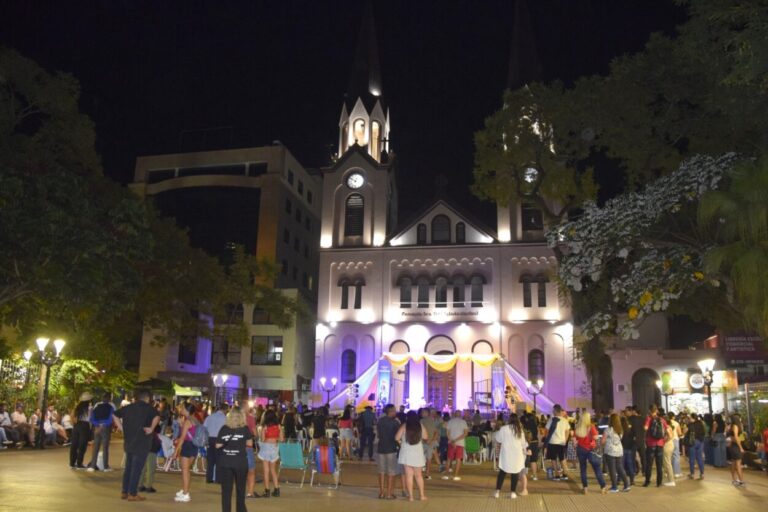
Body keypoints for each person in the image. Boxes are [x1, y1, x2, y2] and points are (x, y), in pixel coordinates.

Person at [114, 389, 160, 502]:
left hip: (129, 442)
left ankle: (124, 492)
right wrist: (151, 428)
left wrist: (121, 428)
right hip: (142, 443)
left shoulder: (128, 407)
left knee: (128, 468)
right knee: (136, 469)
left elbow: (114, 415)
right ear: (147, 398)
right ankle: (133, 494)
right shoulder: (149, 408)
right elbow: (157, 417)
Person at [217, 407, 252, 512]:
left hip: (226, 462)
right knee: (240, 490)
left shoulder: (224, 428)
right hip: (240, 462)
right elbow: (250, 444)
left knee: (226, 492)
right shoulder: (245, 429)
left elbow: (218, 445)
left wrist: (227, 442)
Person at [396, 410, 428, 501]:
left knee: (409, 475)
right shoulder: (420, 426)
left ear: (407, 417)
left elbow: (396, 437)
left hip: (406, 453)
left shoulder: (404, 426)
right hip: (417, 453)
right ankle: (422, 495)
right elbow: (426, 437)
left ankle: (411, 497)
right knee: (419, 475)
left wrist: (401, 443)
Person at [494, 413, 528, 499]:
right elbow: (523, 443)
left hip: (506, 454)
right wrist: (525, 451)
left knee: (502, 472)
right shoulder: (519, 430)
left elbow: (498, 439)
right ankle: (512, 493)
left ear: (509, 419)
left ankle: (497, 492)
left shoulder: (504, 428)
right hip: (517, 454)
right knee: (515, 473)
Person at [574, 411, 606, 494]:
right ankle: (603, 487)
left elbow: (574, 441)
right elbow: (596, 438)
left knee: (583, 469)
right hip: (591, 450)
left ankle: (585, 488)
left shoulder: (578, 427)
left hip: (580, 449)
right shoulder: (591, 427)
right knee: (597, 468)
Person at [174, 402, 200, 503]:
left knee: (185, 471)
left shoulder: (187, 421)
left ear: (187, 410)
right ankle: (185, 490)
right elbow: (191, 433)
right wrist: (181, 424)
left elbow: (182, 438)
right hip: (194, 446)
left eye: (183, 408)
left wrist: (175, 452)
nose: (181, 409)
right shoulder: (195, 419)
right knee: (187, 470)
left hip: (187, 446)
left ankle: (185, 494)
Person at [88, 393, 120, 472]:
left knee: (96, 447)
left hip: (97, 428)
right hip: (106, 428)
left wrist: (97, 425)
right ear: (109, 399)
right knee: (105, 448)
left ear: (102, 398)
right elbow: (111, 418)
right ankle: (106, 467)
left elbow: (92, 417)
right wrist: (103, 425)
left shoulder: (97, 405)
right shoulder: (111, 406)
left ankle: (92, 466)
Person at [376, 404, 400, 499]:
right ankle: (389, 493)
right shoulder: (395, 422)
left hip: (381, 448)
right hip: (391, 449)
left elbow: (378, 435)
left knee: (381, 471)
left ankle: (382, 492)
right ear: (391, 411)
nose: (396, 412)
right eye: (394, 410)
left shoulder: (380, 421)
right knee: (391, 472)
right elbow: (398, 436)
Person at [602, 413, 630, 492]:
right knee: (620, 468)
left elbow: (603, 441)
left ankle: (614, 487)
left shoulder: (608, 430)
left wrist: (603, 444)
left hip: (610, 451)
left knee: (612, 469)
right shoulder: (620, 430)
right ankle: (626, 485)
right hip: (619, 450)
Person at [258, 409, 283, 497]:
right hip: (275, 448)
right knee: (273, 470)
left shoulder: (264, 427)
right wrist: (275, 439)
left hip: (266, 448)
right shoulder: (278, 426)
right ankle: (277, 489)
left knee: (266, 470)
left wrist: (264, 434)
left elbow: (262, 439)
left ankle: (267, 491)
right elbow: (282, 439)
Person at [642, 404, 668, 487]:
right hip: (660, 445)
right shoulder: (662, 420)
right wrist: (664, 441)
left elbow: (645, 428)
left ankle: (647, 481)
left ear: (650, 410)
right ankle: (659, 482)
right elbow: (667, 431)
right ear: (656, 410)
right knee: (659, 465)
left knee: (649, 464)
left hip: (651, 444)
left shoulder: (649, 418)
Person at [204, 403, 229, 484]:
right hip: (219, 440)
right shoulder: (225, 418)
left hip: (210, 439)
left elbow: (204, 428)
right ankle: (218, 479)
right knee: (219, 459)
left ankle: (209, 478)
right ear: (225, 410)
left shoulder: (210, 417)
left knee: (210, 460)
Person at [544, 404, 570, 481]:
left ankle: (557, 475)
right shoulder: (565, 420)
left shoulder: (551, 420)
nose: (552, 411)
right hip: (561, 442)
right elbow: (567, 431)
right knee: (562, 458)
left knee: (553, 459)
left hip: (552, 442)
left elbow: (546, 431)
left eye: (553, 410)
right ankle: (565, 474)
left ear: (555, 411)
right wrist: (565, 440)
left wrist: (546, 440)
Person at [442, 410, 468, 481]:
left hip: (451, 443)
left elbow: (447, 433)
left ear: (454, 414)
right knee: (458, 459)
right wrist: (456, 440)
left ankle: (446, 475)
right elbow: (465, 433)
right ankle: (456, 476)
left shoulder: (450, 422)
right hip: (460, 443)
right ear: (460, 415)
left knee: (449, 459)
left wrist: (452, 441)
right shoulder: (463, 422)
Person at [69, 394, 92, 468]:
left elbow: (71, 417)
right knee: (82, 445)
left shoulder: (77, 408)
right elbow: (90, 419)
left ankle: (72, 463)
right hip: (85, 426)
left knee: (74, 445)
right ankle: (79, 463)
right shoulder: (90, 408)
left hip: (76, 426)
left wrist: (74, 424)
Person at [726, 413, 745, 486]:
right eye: (739, 418)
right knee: (738, 463)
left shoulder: (735, 426)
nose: (740, 419)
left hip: (734, 446)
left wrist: (741, 442)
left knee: (734, 463)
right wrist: (740, 447)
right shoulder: (735, 426)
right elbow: (736, 437)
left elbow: (739, 437)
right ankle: (741, 481)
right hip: (736, 446)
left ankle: (734, 479)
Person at [420, 408, 438, 479]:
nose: (422, 413)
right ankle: (427, 473)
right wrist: (432, 440)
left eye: (423, 412)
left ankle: (421, 472)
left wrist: (426, 440)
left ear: (427, 413)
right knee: (429, 458)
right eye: (422, 412)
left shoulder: (421, 421)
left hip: (424, 442)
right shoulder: (432, 421)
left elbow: (420, 432)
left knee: (422, 457)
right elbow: (436, 432)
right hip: (430, 442)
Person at [627, 406, 646, 475]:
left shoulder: (630, 419)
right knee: (643, 456)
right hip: (641, 440)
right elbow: (645, 429)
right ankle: (644, 471)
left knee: (632, 456)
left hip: (633, 440)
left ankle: (635, 470)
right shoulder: (642, 419)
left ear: (633, 411)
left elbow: (628, 429)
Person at [686, 413, 705, 480]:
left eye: (690, 418)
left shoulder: (690, 425)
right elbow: (703, 433)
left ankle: (692, 474)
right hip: (700, 442)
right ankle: (702, 474)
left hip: (693, 442)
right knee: (700, 458)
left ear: (692, 418)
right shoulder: (701, 423)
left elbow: (687, 433)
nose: (689, 419)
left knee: (692, 459)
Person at [620, 415, 636, 485]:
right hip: (629, 448)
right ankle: (632, 480)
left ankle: (620, 479)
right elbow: (633, 439)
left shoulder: (620, 430)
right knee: (630, 465)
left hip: (622, 448)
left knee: (621, 465)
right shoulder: (630, 430)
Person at [668, 412, 683, 477]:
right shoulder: (676, 423)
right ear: (673, 417)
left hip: (667, 441)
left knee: (668, 457)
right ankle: (676, 472)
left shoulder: (666, 422)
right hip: (675, 440)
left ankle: (668, 472)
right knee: (676, 456)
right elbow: (679, 433)